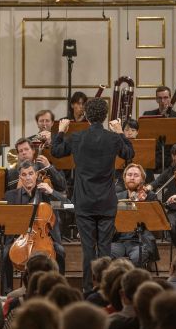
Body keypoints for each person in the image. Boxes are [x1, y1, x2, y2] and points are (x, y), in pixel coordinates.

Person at [51, 98, 134, 292]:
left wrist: (61, 130)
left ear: (87, 116)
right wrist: (120, 132)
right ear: (105, 116)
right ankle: (106, 289)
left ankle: (88, 290)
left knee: (88, 249)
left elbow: (56, 151)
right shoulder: (113, 138)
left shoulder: (78, 137)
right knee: (104, 248)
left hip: (85, 202)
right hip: (106, 202)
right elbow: (129, 153)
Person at [1, 161, 68, 294]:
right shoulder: (11, 196)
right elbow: (6, 221)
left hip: (45, 238)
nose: (28, 178)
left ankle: (60, 289)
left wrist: (51, 191)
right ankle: (6, 292)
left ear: (36, 175)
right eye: (24, 175)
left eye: (31, 174)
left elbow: (69, 206)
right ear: (20, 177)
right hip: (20, 239)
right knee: (5, 253)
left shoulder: (46, 195)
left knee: (59, 251)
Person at [147, 141, 176, 252]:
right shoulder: (170, 172)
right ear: (174, 157)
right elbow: (156, 182)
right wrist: (148, 187)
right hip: (173, 210)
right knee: (170, 224)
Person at [112, 164, 159, 267]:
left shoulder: (150, 197)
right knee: (107, 254)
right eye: (129, 174)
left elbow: (156, 222)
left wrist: (142, 204)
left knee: (139, 257)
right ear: (124, 178)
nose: (132, 178)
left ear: (142, 179)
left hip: (140, 241)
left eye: (136, 175)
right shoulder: (118, 197)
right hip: (119, 240)